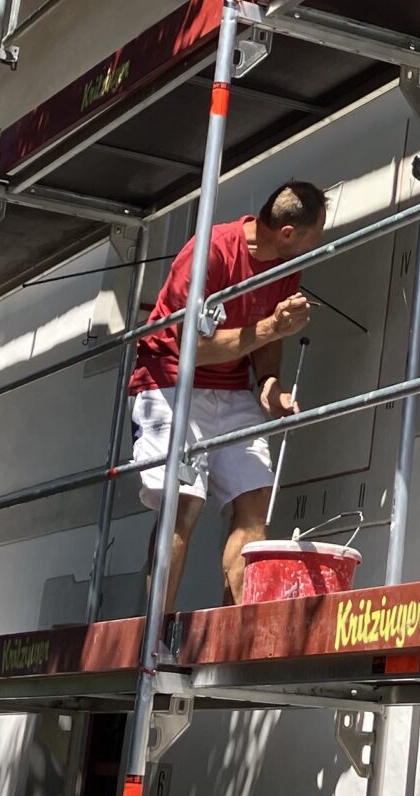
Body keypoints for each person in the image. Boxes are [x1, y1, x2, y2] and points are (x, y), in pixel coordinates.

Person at [128, 179, 327, 604]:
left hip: (232, 387)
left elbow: (268, 337)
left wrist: (269, 383)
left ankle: (234, 628)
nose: (317, 246)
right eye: (314, 237)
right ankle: (154, 630)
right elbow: (192, 350)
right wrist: (272, 327)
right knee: (184, 504)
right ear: (287, 233)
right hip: (171, 382)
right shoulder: (210, 251)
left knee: (256, 502)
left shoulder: (287, 265)